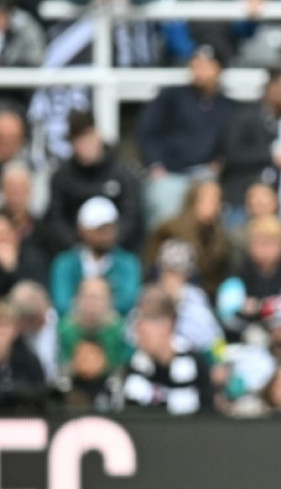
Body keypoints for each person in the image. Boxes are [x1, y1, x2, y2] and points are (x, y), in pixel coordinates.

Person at [137, 44, 236, 229]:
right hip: (170, 174)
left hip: (207, 175)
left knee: (212, 208)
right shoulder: (171, 96)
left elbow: (232, 142)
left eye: (205, 65)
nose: (198, 70)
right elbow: (148, 131)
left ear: (218, 69)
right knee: (164, 211)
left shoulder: (228, 106)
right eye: (195, 65)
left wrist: (222, 162)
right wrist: (155, 164)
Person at [218, 67, 281, 225]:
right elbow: (231, 154)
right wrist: (272, 157)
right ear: (272, 88)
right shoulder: (244, 116)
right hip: (243, 199)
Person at [44, 111, 144, 256]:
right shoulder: (62, 178)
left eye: (88, 137)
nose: (84, 146)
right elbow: (56, 219)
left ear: (98, 135)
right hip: (75, 252)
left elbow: (132, 215)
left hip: (116, 252)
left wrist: (108, 244)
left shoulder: (121, 172)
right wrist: (78, 247)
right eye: (78, 141)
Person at [122, 286, 214, 415]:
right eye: (139, 319)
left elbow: (208, 418)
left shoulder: (195, 363)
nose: (140, 327)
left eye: (149, 319)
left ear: (168, 324)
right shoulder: (134, 367)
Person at [49, 197, 141, 317]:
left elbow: (127, 301)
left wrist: (96, 313)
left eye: (110, 228)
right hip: (73, 326)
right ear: (83, 230)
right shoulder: (65, 263)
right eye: (100, 229)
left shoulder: (128, 263)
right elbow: (61, 302)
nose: (107, 235)